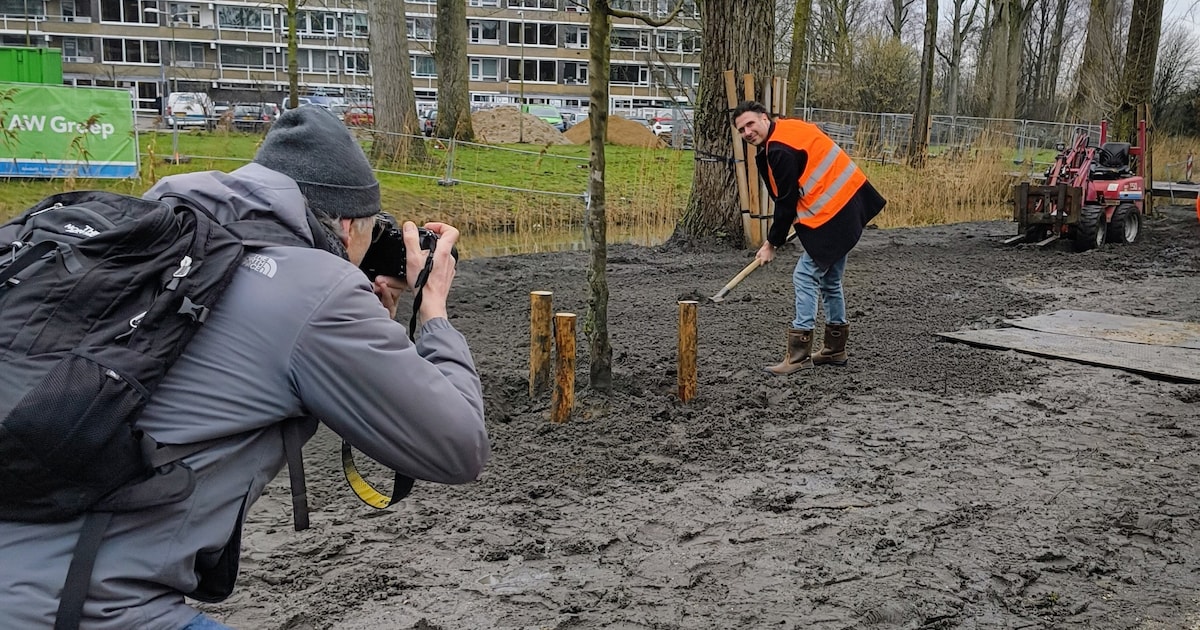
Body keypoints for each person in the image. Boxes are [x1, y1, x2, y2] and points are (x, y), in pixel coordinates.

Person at [0, 105, 490, 629]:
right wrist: (433, 311)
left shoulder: (148, 245)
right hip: (79, 610)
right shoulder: (315, 289)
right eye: (369, 238)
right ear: (347, 226)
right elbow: (458, 447)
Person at [732, 100, 886, 375]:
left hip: (834, 214)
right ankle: (835, 349)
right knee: (830, 279)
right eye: (742, 130)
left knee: (804, 275)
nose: (747, 132)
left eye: (750, 124)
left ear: (764, 118)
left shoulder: (779, 150)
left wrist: (771, 244)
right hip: (849, 203)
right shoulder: (788, 128)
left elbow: (786, 202)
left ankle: (799, 354)